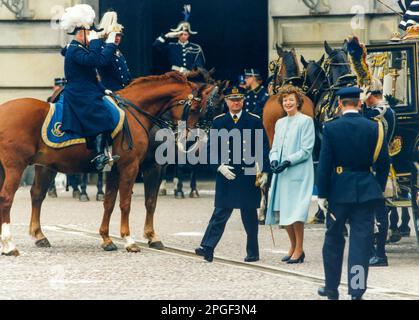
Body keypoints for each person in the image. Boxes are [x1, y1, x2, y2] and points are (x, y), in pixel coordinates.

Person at [317, 87, 390, 300]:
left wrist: (322, 193)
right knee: (361, 243)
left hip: (338, 191)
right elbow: (384, 163)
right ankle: (356, 290)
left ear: (339, 104)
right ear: (360, 103)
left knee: (333, 240)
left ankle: (331, 287)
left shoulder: (331, 128)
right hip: (366, 190)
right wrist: (375, 186)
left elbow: (324, 165)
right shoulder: (374, 127)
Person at [195, 86, 270, 263]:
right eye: (232, 99)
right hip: (227, 172)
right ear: (227, 102)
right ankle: (207, 247)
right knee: (220, 212)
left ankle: (253, 252)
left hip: (248, 173)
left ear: (242, 101)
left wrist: (265, 170)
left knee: (249, 215)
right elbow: (210, 149)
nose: (236, 102)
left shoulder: (253, 120)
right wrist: (219, 166)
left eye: (239, 99)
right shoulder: (219, 121)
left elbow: (264, 147)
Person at [59, 4, 119, 171]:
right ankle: (99, 156)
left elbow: (91, 74)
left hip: (88, 89)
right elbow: (95, 61)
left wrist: (102, 88)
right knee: (102, 116)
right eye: (90, 32)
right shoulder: (73, 49)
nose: (92, 34)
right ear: (83, 31)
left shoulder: (80, 48)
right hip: (79, 93)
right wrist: (103, 43)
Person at [265, 85, 315, 264]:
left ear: (298, 102)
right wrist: (273, 159)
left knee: (296, 212)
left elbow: (306, 150)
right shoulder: (280, 122)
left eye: (291, 100)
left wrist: (288, 161)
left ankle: (299, 248)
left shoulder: (306, 121)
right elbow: (275, 147)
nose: (288, 103)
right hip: (281, 173)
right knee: (284, 211)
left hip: (298, 171)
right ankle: (292, 246)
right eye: (285, 100)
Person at [363, 78, 396, 267]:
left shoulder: (381, 111)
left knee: (378, 210)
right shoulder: (381, 109)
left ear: (369, 95)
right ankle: (374, 250)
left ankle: (380, 253)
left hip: (378, 166)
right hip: (376, 165)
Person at [153, 5, 205, 74]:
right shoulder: (171, 46)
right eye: (181, 34)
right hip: (174, 78)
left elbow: (199, 65)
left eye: (185, 34)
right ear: (177, 35)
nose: (183, 36)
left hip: (190, 78)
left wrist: (191, 72)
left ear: (189, 35)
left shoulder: (196, 48)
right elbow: (156, 46)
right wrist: (167, 35)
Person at [97, 11, 132, 91]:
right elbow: (102, 62)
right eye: (115, 35)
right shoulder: (103, 49)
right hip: (109, 91)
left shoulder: (117, 51)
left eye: (119, 35)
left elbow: (125, 74)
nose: (118, 38)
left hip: (123, 91)